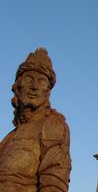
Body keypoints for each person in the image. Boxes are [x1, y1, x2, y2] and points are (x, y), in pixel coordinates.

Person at [0, 48, 71, 192]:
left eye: (41, 82)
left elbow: (53, 182)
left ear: (47, 92)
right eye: (28, 79)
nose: (34, 87)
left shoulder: (53, 125)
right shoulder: (10, 136)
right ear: (18, 87)